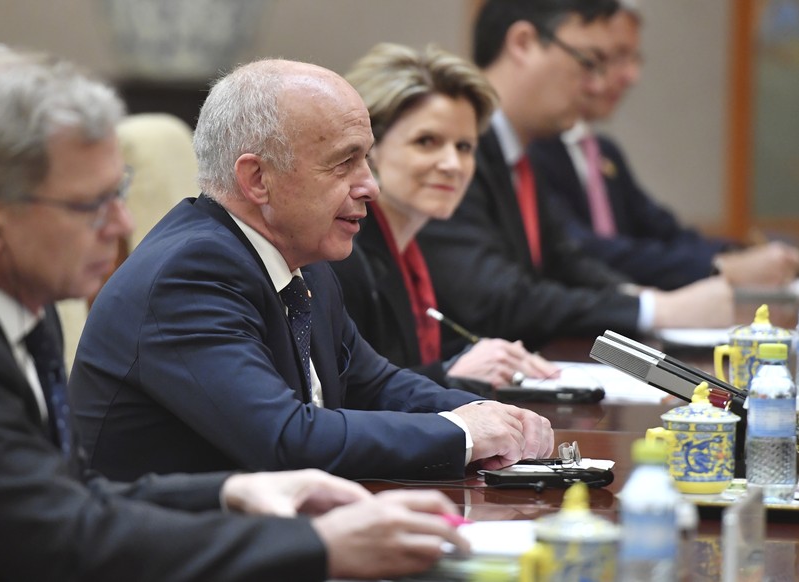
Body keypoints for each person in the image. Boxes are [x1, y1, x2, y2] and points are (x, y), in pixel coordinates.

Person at [0, 44, 477, 582]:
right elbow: (61, 536)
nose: (121, 225)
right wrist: (318, 546)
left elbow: (69, 492)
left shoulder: (20, 305)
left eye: (119, 193)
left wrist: (227, 492)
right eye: (91, 204)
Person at [69, 57, 554, 483]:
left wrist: (484, 413)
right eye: (344, 163)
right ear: (258, 179)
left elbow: (373, 383)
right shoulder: (190, 275)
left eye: (366, 158)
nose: (370, 186)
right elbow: (284, 438)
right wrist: (462, 433)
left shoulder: (302, 256)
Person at [416, 0, 735, 351]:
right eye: (588, 62)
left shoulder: (522, 152)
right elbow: (495, 299)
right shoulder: (454, 154)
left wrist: (638, 296)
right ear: (523, 43)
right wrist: (655, 310)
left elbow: (564, 260)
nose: (597, 86)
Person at [330, 42, 559, 391]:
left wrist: (488, 358)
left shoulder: (411, 248)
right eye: (427, 141)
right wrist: (452, 374)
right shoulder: (345, 253)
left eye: (464, 147)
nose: (452, 165)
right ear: (369, 149)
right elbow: (347, 394)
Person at [528, 2, 799, 290]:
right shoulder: (532, 148)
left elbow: (664, 232)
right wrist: (721, 266)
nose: (631, 76)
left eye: (634, 58)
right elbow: (582, 251)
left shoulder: (603, 151)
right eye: (611, 56)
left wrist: (742, 254)